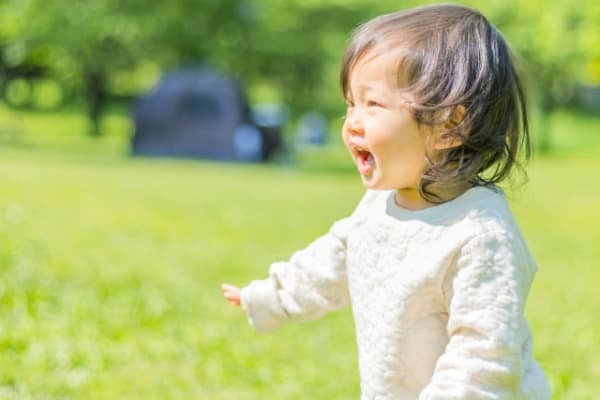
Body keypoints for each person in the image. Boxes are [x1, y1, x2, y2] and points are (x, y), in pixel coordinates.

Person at [222, 3, 551, 399]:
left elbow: (482, 363)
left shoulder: (480, 237)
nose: (352, 123)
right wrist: (272, 295)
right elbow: (335, 256)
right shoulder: (379, 203)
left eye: (373, 105)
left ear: (450, 125)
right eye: (350, 104)